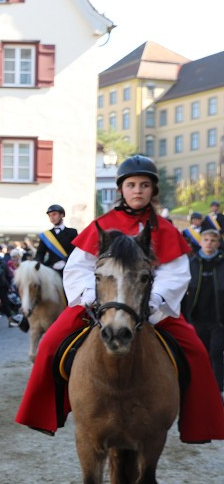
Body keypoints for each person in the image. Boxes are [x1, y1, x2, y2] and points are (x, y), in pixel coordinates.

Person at [16, 155, 224, 444]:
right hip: (101, 304)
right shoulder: (102, 225)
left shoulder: (166, 230)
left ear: (153, 190)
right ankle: (45, 413)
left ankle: (198, 424)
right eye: (131, 185)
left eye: (144, 185)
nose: (137, 190)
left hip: (151, 308)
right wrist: (94, 298)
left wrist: (152, 302)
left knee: (196, 351)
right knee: (51, 343)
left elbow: (174, 273)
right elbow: (79, 268)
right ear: (121, 190)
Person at [182, 228, 224, 391]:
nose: (209, 243)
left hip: (218, 320)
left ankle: (218, 388)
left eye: (213, 240)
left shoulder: (221, 263)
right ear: (200, 242)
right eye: (206, 240)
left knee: (216, 353)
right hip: (196, 319)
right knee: (201, 354)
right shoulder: (191, 263)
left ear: (218, 244)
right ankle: (199, 387)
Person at [36, 204, 78, 273]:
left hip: (68, 267)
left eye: (54, 214)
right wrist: (37, 263)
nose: (52, 217)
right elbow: (40, 253)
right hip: (50, 268)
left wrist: (65, 261)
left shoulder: (72, 232)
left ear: (62, 215)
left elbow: (74, 251)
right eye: (50, 215)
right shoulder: (46, 235)